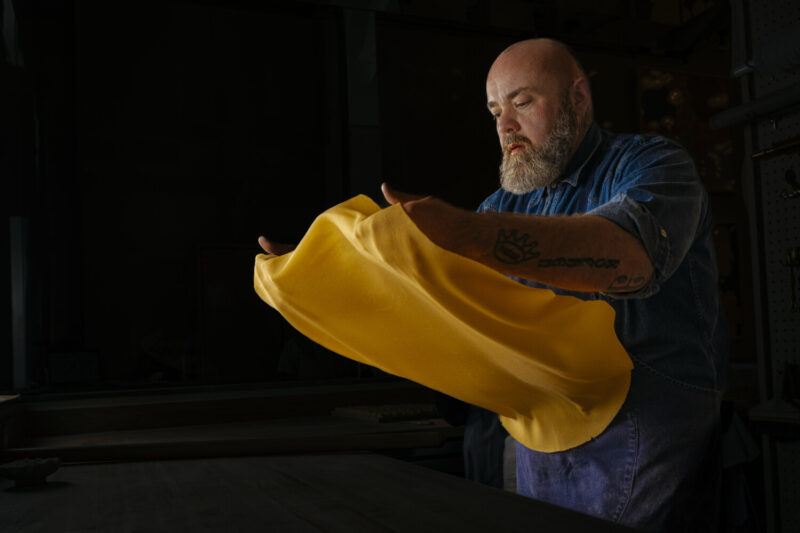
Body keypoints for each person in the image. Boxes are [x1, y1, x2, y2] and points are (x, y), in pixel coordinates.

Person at [260, 38, 727, 531]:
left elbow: (632, 255)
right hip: (538, 432)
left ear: (579, 98)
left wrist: (465, 234)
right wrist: (330, 272)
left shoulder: (651, 165)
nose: (505, 126)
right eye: (495, 110)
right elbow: (440, 302)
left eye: (522, 102)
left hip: (647, 425)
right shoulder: (502, 205)